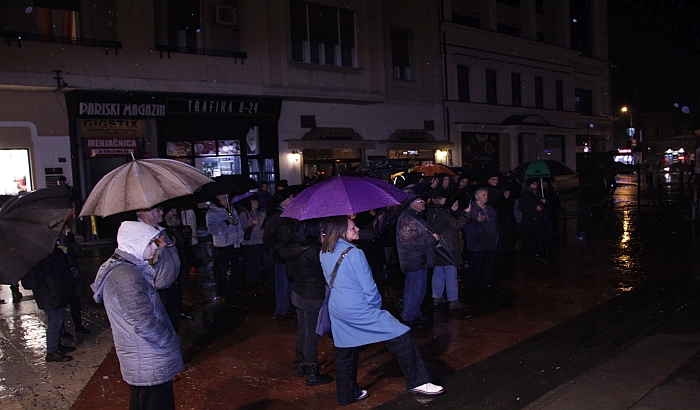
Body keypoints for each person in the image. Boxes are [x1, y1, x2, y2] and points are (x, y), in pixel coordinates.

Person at [320, 216, 444, 405]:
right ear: (342, 232)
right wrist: (376, 306)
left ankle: (347, 394)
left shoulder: (324, 251)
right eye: (353, 227)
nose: (358, 229)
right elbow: (369, 287)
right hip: (357, 307)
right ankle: (419, 382)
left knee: (345, 350)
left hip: (337, 307)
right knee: (401, 334)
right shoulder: (354, 254)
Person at [91, 221, 184, 410]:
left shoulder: (124, 270)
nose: (154, 247)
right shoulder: (127, 277)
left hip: (142, 358)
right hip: (150, 357)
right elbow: (143, 322)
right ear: (135, 244)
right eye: (150, 243)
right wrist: (171, 340)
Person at [279, 220, 334, 386]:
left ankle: (302, 364)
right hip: (312, 296)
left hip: (297, 293)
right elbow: (326, 274)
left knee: (303, 330)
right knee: (312, 335)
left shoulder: (293, 249)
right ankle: (312, 374)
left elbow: (290, 274)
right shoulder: (314, 252)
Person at [22, 244, 77, 362]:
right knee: (55, 320)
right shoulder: (40, 257)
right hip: (50, 295)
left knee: (58, 319)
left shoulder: (46, 254)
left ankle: (56, 345)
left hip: (53, 294)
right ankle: (52, 351)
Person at [396, 196, 439, 327]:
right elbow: (408, 242)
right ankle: (408, 316)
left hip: (421, 260)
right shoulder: (408, 219)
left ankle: (415, 312)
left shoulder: (416, 217)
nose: (424, 202)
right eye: (420, 201)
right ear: (412, 204)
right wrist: (431, 239)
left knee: (420, 289)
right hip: (414, 260)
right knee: (413, 289)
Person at [137, 207, 183, 328]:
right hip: (157, 290)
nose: (162, 212)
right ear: (144, 213)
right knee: (163, 326)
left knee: (174, 323)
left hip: (171, 285)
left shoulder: (161, 229)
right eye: (157, 210)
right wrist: (158, 246)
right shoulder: (139, 234)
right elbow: (144, 261)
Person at [426, 192, 469, 309]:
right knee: (450, 273)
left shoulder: (430, 212)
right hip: (448, 246)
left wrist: (451, 211)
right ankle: (453, 299)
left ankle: (437, 296)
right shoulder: (442, 212)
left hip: (437, 246)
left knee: (438, 273)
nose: (445, 199)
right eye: (442, 197)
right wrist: (465, 214)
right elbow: (456, 225)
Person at [263, 188, 298, 318]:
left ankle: (287, 306)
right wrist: (281, 246)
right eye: (289, 198)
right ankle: (282, 309)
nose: (292, 200)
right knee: (282, 282)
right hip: (280, 254)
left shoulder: (288, 215)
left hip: (288, 253)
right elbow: (269, 238)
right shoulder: (275, 217)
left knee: (288, 282)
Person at [206, 194, 245, 302]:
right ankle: (222, 292)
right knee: (221, 270)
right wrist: (227, 222)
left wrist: (240, 236)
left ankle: (234, 288)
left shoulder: (231, 208)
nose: (225, 200)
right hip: (223, 245)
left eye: (226, 198)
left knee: (236, 268)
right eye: (222, 198)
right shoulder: (212, 213)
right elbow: (212, 230)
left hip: (235, 243)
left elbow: (238, 224)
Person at [463, 187, 500, 293]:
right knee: (476, 266)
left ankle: (487, 284)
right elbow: (465, 226)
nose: (486, 197)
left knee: (488, 266)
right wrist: (476, 221)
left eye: (486, 195)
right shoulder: (470, 210)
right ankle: (474, 287)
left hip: (490, 242)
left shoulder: (490, 209)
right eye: (483, 195)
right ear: (477, 196)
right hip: (476, 244)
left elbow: (496, 223)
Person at [160, 205, 191, 330]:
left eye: (175, 210)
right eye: (171, 211)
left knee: (181, 289)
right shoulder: (164, 230)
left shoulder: (178, 227)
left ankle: (179, 310)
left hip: (181, 264)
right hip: (167, 273)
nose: (174, 213)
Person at [58, 224, 91, 336]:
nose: (64, 229)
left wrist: (71, 243)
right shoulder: (51, 241)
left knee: (75, 302)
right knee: (61, 304)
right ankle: (62, 330)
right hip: (61, 277)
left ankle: (78, 325)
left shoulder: (67, 239)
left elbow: (78, 254)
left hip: (73, 275)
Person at [519, 178, 547, 265]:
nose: (535, 185)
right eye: (533, 184)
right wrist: (535, 208)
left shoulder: (535, 193)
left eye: (536, 184)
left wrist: (542, 203)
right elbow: (522, 207)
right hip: (530, 221)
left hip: (536, 220)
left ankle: (537, 255)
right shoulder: (526, 194)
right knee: (531, 239)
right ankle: (530, 257)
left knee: (538, 238)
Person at [239, 196, 265, 285]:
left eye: (256, 201)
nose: (256, 204)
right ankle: (251, 279)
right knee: (251, 261)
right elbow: (243, 225)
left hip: (259, 240)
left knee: (257, 260)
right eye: (253, 202)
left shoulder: (261, 213)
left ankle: (257, 278)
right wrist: (251, 222)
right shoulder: (245, 213)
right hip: (249, 241)